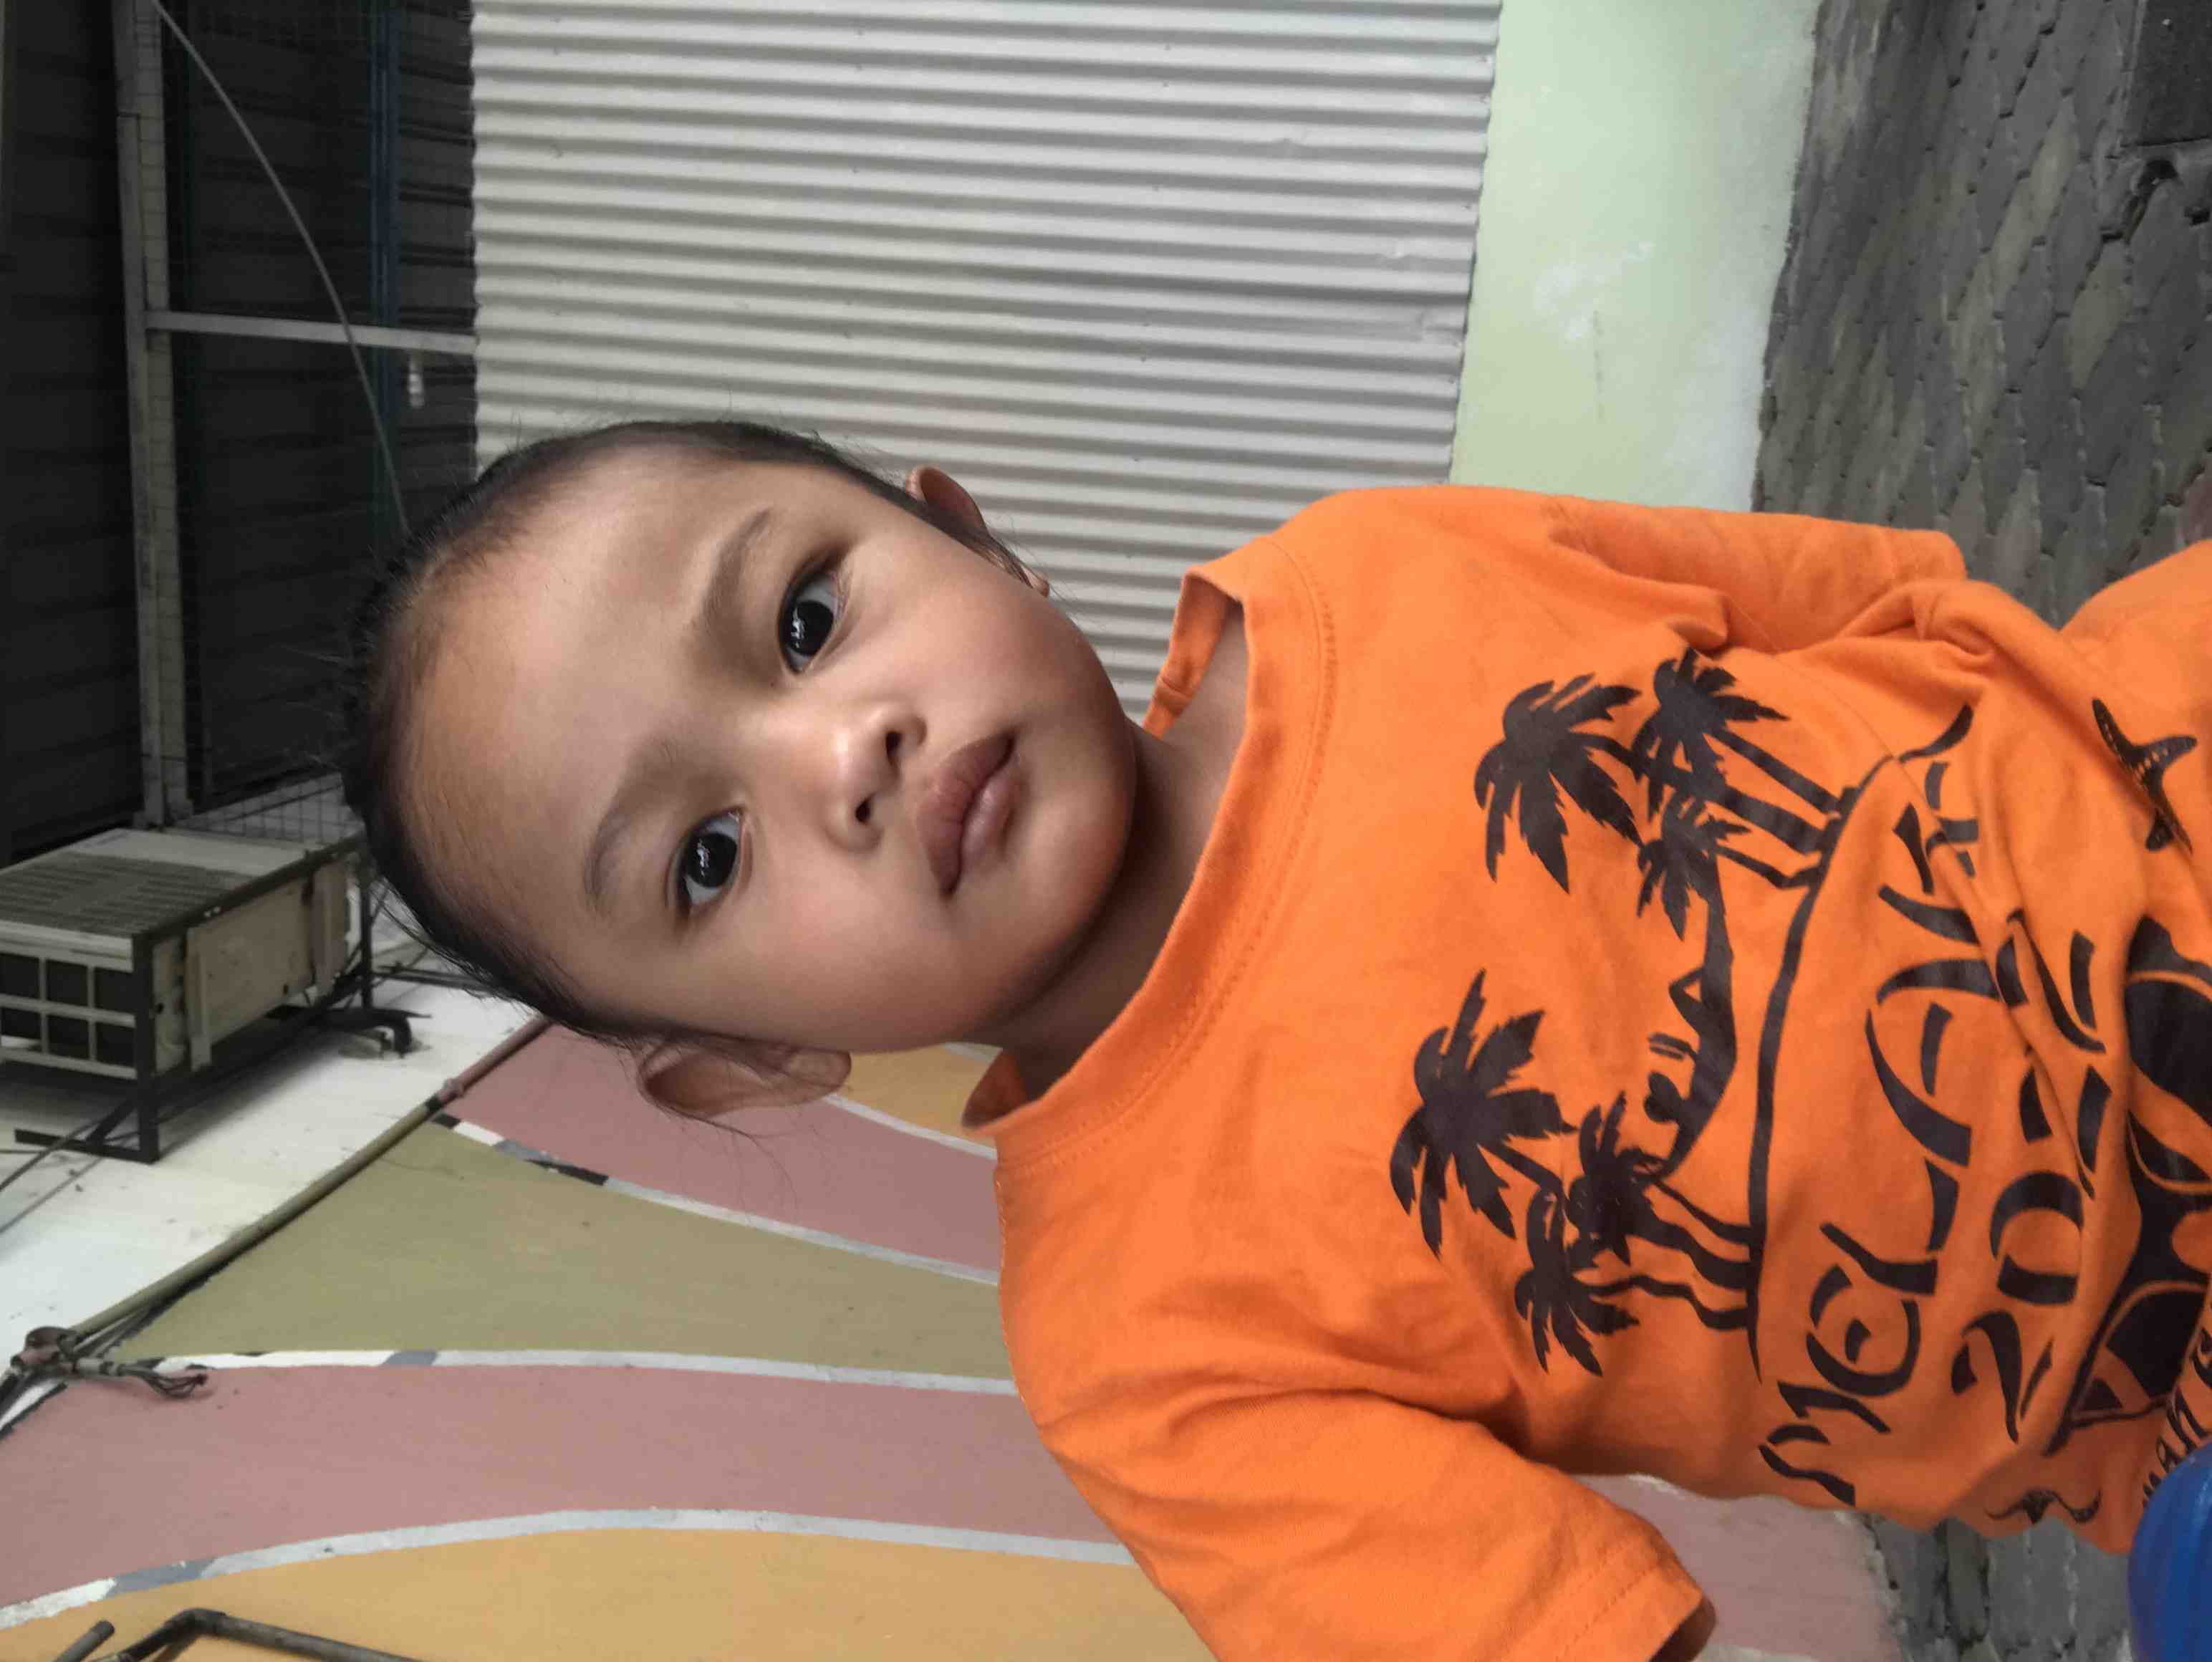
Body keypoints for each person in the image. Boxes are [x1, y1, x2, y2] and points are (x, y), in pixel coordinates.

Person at [340, 418, 2212, 1661]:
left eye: (809, 617)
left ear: (964, 532)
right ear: (745, 1063)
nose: (846, 754)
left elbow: (1880, 607)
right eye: (708, 856)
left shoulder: (1380, 570)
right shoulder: (1144, 1352)